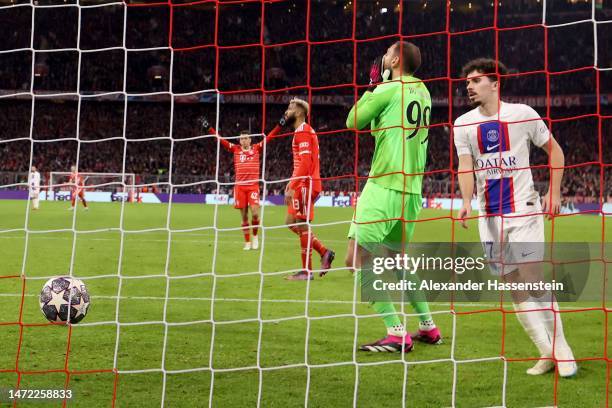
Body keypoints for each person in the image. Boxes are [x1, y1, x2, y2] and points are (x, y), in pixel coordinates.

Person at [453, 57, 577, 377]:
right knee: (514, 286)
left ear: (495, 84)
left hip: (523, 209)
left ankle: (562, 348)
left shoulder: (522, 114)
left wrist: (555, 191)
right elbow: (465, 166)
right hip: (489, 219)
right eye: (467, 82)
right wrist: (466, 201)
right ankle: (545, 352)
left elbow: (556, 152)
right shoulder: (463, 124)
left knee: (532, 277)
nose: (469, 85)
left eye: (475, 80)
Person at [345, 41, 441, 352]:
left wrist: (372, 86)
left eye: (387, 53)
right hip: (411, 193)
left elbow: (352, 122)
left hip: (384, 185)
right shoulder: (423, 92)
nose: (383, 57)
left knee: (356, 258)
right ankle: (428, 326)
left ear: (396, 59)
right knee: (398, 261)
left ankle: (396, 331)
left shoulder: (387, 89)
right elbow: (381, 131)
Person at [201, 118, 281, 250]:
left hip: (253, 186)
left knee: (255, 213)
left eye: (246, 138)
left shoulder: (256, 148)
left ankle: (255, 236)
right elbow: (220, 140)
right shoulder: (235, 149)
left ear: (250, 140)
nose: (244, 140)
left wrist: (279, 124)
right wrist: (209, 128)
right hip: (240, 187)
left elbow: (270, 137)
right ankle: (247, 242)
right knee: (244, 216)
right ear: (239, 140)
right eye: (242, 138)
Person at [281, 98, 335, 281]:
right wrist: (292, 183)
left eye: (289, 108)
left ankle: (306, 271)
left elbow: (306, 162)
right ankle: (324, 251)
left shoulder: (303, 131)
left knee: (302, 225)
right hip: (302, 183)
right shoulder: (302, 131)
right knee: (290, 221)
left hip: (306, 184)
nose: (286, 112)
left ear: (299, 112)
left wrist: (293, 185)